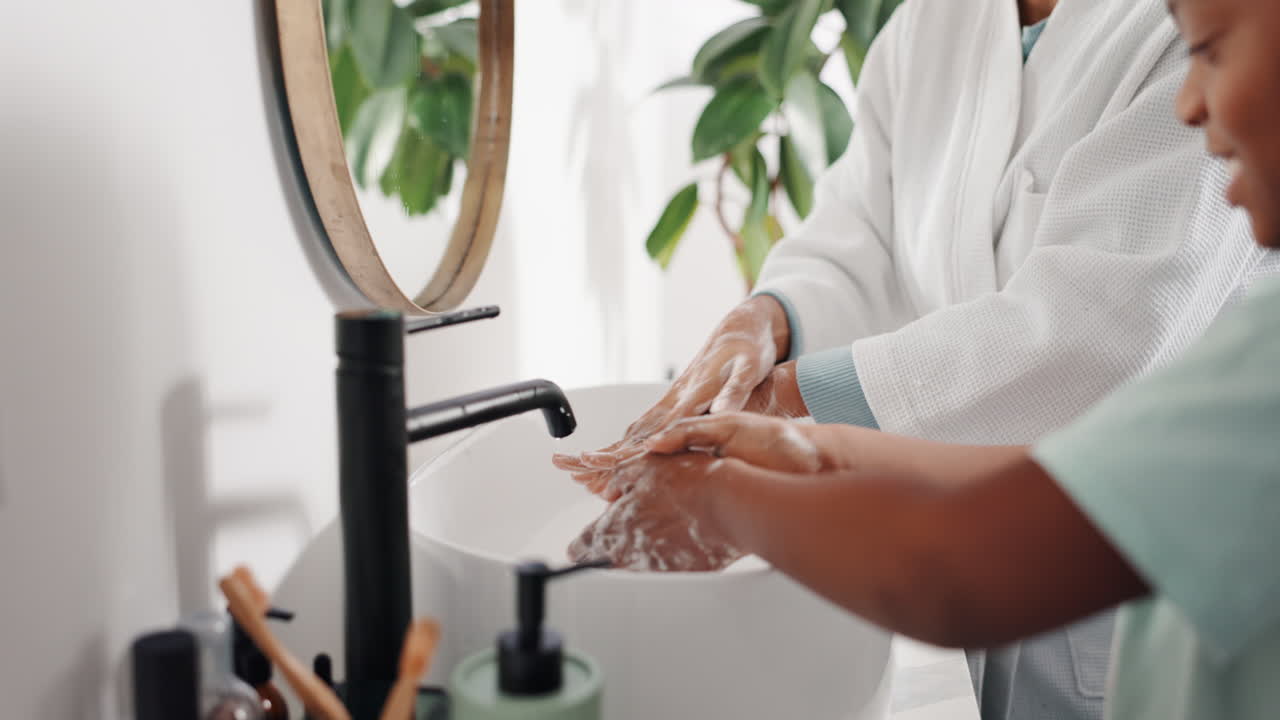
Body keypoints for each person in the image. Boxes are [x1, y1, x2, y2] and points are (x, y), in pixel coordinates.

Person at [555, 0, 1274, 717]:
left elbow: (1095, 337)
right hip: (990, 534)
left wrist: (737, 480)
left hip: (1092, 610)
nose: (1192, 106)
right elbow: (861, 223)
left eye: (1209, 55)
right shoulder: (933, 20)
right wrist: (772, 329)